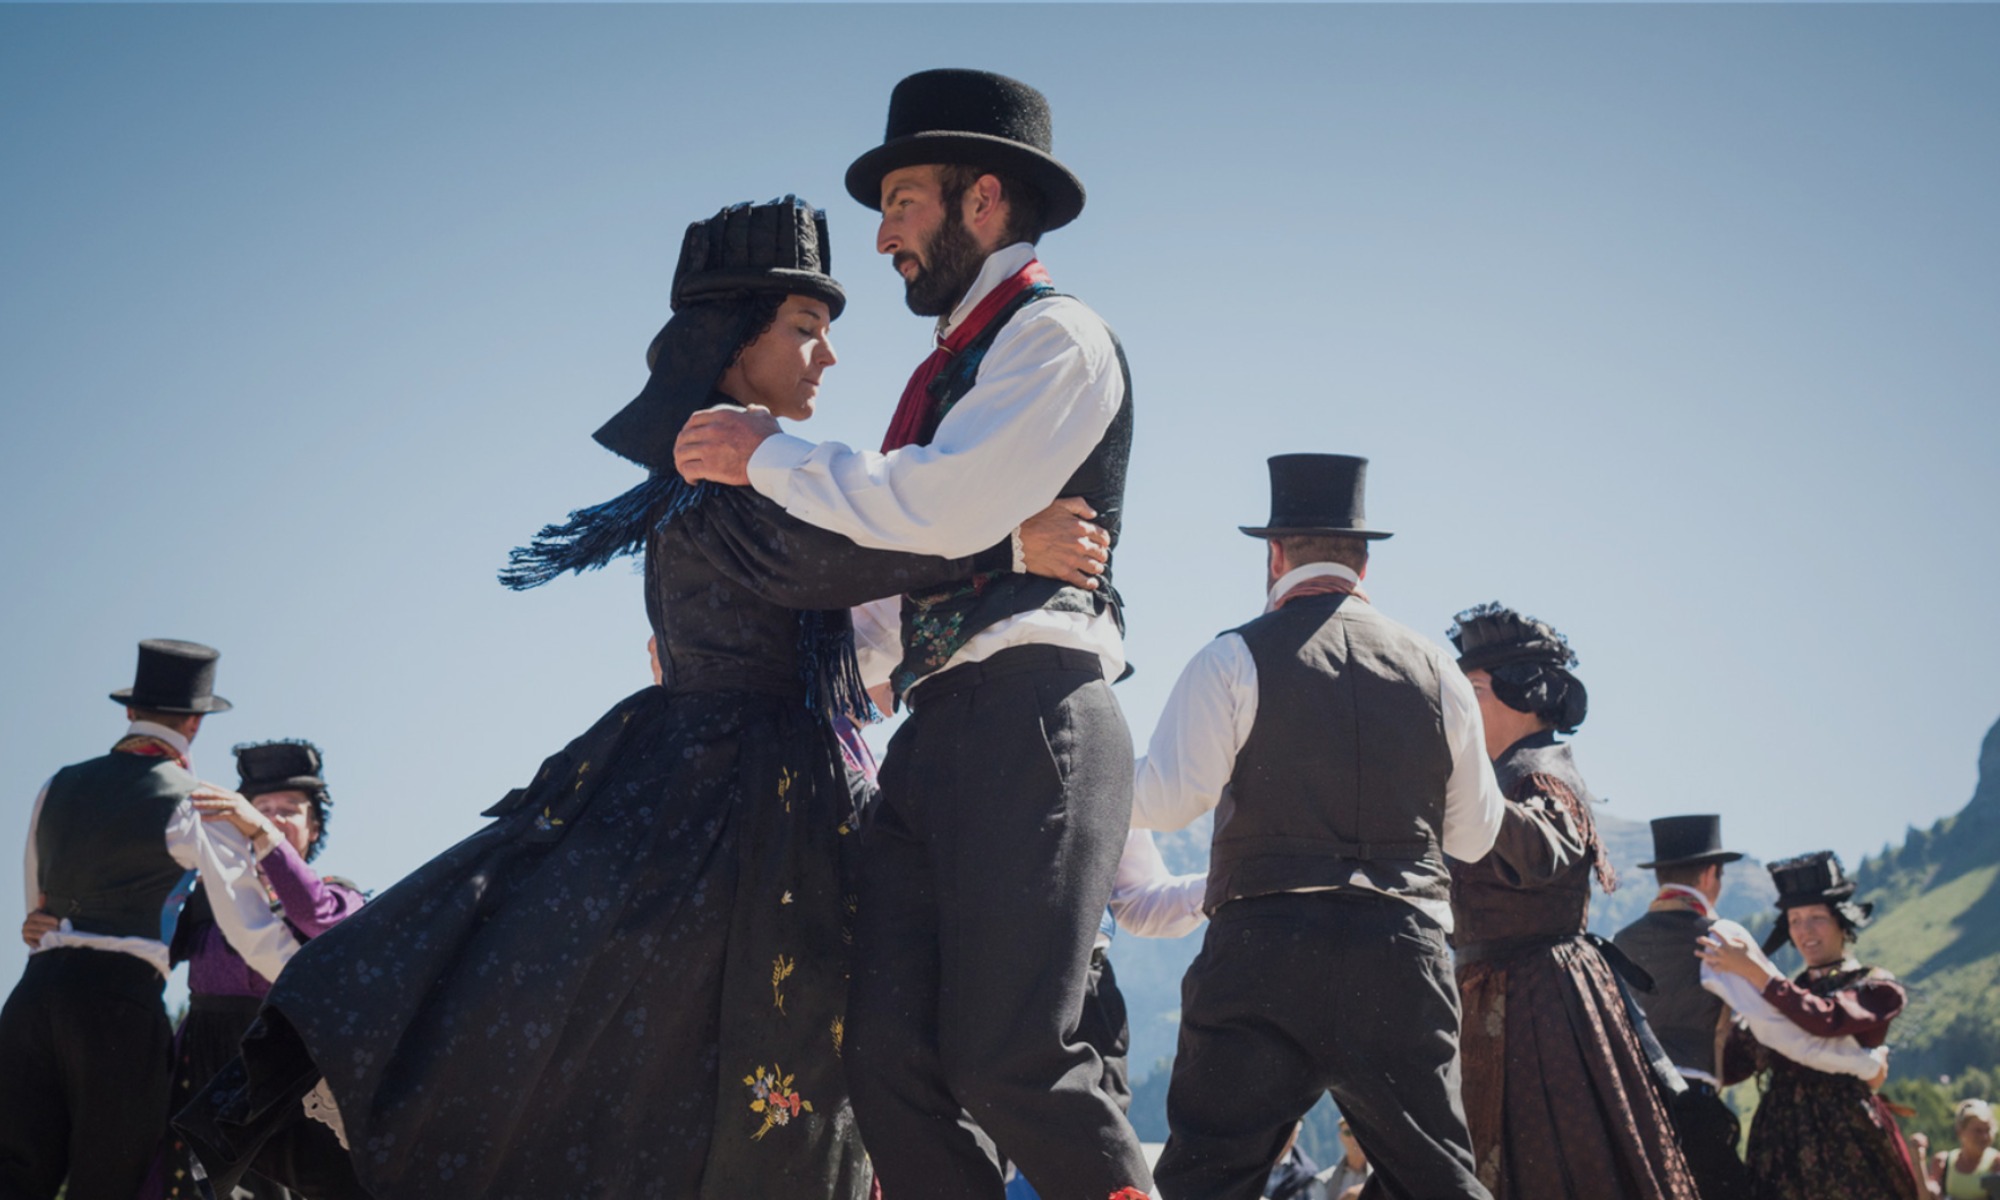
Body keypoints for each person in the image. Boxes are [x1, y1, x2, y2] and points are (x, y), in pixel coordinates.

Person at [172, 197, 1105, 1200]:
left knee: (688, 1054)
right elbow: (840, 559)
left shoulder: (732, 480)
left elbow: (848, 576)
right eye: (803, 328)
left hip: (750, 786)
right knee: (716, 1045)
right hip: (731, 798)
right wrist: (1007, 545)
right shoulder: (720, 485)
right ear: (731, 341)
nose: (828, 356)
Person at [674, 69, 1149, 1199]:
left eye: (900, 200)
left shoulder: (1056, 337)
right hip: (940, 733)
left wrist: (768, 455)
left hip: (1035, 712)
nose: (881, 234)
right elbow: (896, 600)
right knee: (885, 1060)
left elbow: (939, 505)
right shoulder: (944, 373)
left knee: (1013, 1053)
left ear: (982, 199)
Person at [1131, 453, 1504, 1200]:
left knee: (1209, 1174)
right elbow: (1473, 837)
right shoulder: (1437, 670)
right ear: (1365, 560)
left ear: (1273, 555)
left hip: (1265, 947)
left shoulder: (1232, 655)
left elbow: (1168, 802)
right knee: (1439, 1183)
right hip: (1403, 953)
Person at [0, 639, 295, 1200]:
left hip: (33, 998)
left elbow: (36, 913)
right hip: (117, 1008)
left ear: (131, 711)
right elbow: (249, 932)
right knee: (109, 1182)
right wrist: (316, 983)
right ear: (195, 724)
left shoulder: (56, 785)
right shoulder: (197, 801)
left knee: (13, 1176)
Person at [1445, 604, 1699, 1200]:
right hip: (1487, 994)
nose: (1460, 706)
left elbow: (1542, 850)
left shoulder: (1539, 774)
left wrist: (1461, 786)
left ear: (1522, 696)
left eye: (1473, 690)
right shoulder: (1499, 773)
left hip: (1539, 1007)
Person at [154, 740, 366, 1200]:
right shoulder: (206, 901)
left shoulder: (339, 896)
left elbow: (318, 917)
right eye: (261, 808)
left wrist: (262, 833)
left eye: (290, 809)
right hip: (205, 1064)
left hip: (290, 1075)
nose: (273, 817)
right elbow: (150, 951)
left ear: (313, 827)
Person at [1701, 850, 1927, 1200]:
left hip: (1848, 1133)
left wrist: (1755, 974)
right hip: (1778, 1142)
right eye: (1795, 920)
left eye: (1816, 918)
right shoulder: (1777, 998)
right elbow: (1733, 1063)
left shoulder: (1874, 986)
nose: (1804, 930)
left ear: (1842, 922)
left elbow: (1826, 1019)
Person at [1612, 816, 1758, 1200]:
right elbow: (1767, 1016)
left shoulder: (1619, 941)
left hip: (1631, 1108)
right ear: (1710, 874)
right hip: (1691, 1105)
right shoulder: (1718, 937)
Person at [1929, 1099, 1999, 1199]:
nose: (1984, 1137)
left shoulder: (1996, 1162)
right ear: (1961, 1131)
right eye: (1978, 1131)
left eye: (1987, 1131)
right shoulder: (1943, 1162)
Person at [1316, 1119, 1372, 1200]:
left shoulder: (1381, 1180)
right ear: (1341, 1137)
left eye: (1358, 1132)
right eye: (1348, 1133)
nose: (1354, 1139)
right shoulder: (1325, 1180)